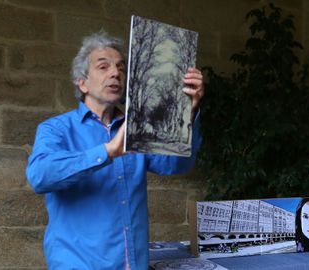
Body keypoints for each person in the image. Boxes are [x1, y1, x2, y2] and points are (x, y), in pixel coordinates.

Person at [25, 31, 204, 269]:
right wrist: (107, 151)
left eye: (120, 68)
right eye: (103, 67)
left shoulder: (139, 127)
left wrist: (187, 112)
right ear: (82, 82)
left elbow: (176, 164)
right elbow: (40, 176)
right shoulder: (56, 129)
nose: (115, 73)